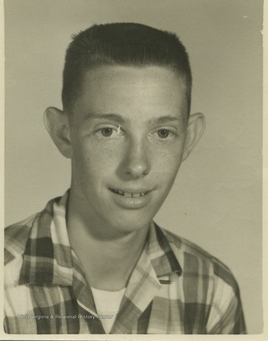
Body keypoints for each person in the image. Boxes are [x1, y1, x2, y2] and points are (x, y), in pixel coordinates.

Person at [4, 22, 246, 334]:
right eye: (108, 131)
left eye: (162, 133)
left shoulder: (213, 291)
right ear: (64, 134)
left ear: (188, 138)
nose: (137, 165)